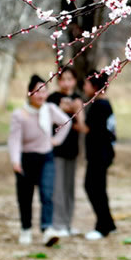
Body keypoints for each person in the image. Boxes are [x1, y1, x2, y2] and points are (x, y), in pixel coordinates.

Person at [8, 74, 72, 246]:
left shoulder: (49, 109)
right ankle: (26, 229)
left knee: (47, 193)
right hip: (26, 158)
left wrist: (56, 140)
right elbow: (14, 140)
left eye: (44, 91)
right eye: (37, 91)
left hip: (46, 158)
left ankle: (47, 229)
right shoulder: (19, 114)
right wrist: (15, 161)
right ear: (30, 93)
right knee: (25, 196)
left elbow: (66, 122)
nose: (41, 95)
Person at [47, 67, 86, 237]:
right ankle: (58, 223)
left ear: (75, 81)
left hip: (72, 149)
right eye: (63, 79)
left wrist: (77, 110)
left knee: (69, 187)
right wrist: (63, 111)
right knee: (58, 188)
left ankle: (68, 223)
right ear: (58, 81)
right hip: (56, 149)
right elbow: (51, 121)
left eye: (70, 79)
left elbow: (82, 126)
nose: (66, 82)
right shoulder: (52, 99)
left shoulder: (78, 99)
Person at [80, 71, 117, 240]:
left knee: (92, 187)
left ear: (95, 86)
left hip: (99, 154)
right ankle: (108, 223)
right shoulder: (104, 104)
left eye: (87, 84)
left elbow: (87, 128)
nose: (84, 87)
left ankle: (102, 226)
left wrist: (77, 111)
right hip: (103, 153)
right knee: (98, 188)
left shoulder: (99, 106)